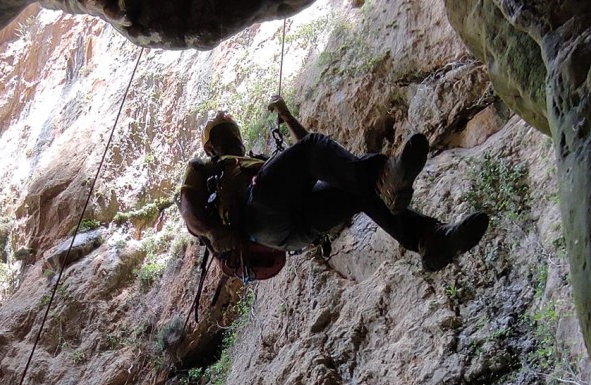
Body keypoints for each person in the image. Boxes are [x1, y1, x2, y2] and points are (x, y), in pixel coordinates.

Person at [179, 96, 489, 275]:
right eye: (222, 135)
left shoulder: (257, 162)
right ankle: (385, 177)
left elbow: (311, 157)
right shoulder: (204, 167)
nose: (231, 137)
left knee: (357, 189)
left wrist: (286, 116)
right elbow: (188, 205)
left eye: (232, 131)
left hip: (294, 230)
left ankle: (428, 237)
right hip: (256, 216)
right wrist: (210, 231)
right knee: (335, 159)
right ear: (210, 148)